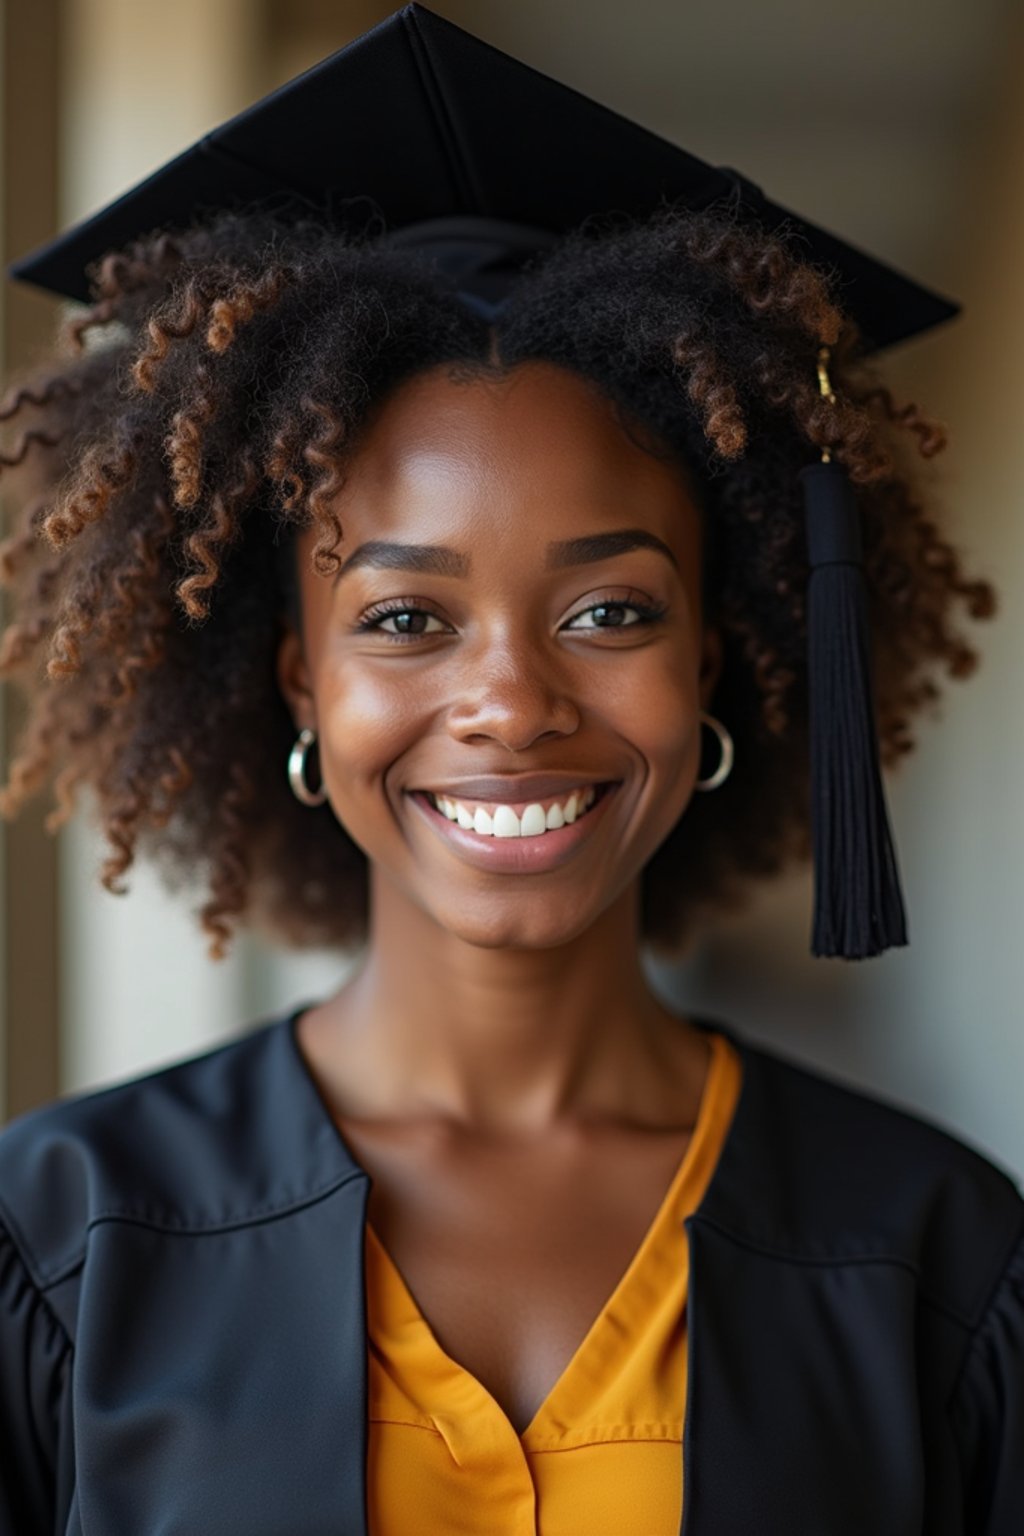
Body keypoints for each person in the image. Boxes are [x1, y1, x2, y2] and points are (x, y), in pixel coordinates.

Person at [0, 7, 1021, 1534]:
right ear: (300, 678)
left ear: (717, 659)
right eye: (405, 617)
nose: (510, 701)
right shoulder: (65, 1237)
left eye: (611, 611)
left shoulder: (934, 1251)